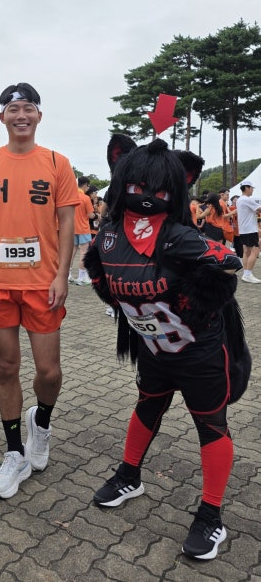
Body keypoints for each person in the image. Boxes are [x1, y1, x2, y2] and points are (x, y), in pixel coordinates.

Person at [85, 135, 245, 561]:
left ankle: (211, 515)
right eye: (138, 186)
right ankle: (129, 475)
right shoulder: (109, 234)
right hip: (153, 349)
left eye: (159, 189)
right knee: (147, 404)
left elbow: (228, 264)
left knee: (210, 424)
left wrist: (191, 300)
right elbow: (98, 271)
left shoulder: (179, 236)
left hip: (198, 351)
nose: (147, 196)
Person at [0, 82, 78, 499]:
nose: (21, 115)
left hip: (42, 283)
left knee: (49, 371)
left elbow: (67, 223)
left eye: (28, 108)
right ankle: (14, 454)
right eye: (13, 110)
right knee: (6, 367)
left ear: (39, 116)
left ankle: (40, 423)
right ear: (2, 118)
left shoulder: (57, 163)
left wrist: (62, 275)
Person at [70, 176, 94, 285]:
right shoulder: (85, 198)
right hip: (83, 228)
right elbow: (90, 215)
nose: (88, 188)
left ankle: (68, 275)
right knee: (84, 252)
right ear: (84, 185)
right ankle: (82, 277)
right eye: (88, 186)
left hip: (72, 228)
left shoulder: (71, 195)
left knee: (72, 252)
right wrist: (95, 216)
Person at [236, 181, 261, 283]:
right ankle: (248, 274)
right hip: (250, 229)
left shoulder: (240, 200)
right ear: (247, 187)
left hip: (243, 229)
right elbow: (259, 209)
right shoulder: (246, 199)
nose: (252, 190)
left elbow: (254, 211)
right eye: (251, 188)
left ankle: (246, 273)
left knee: (246, 252)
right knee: (255, 251)